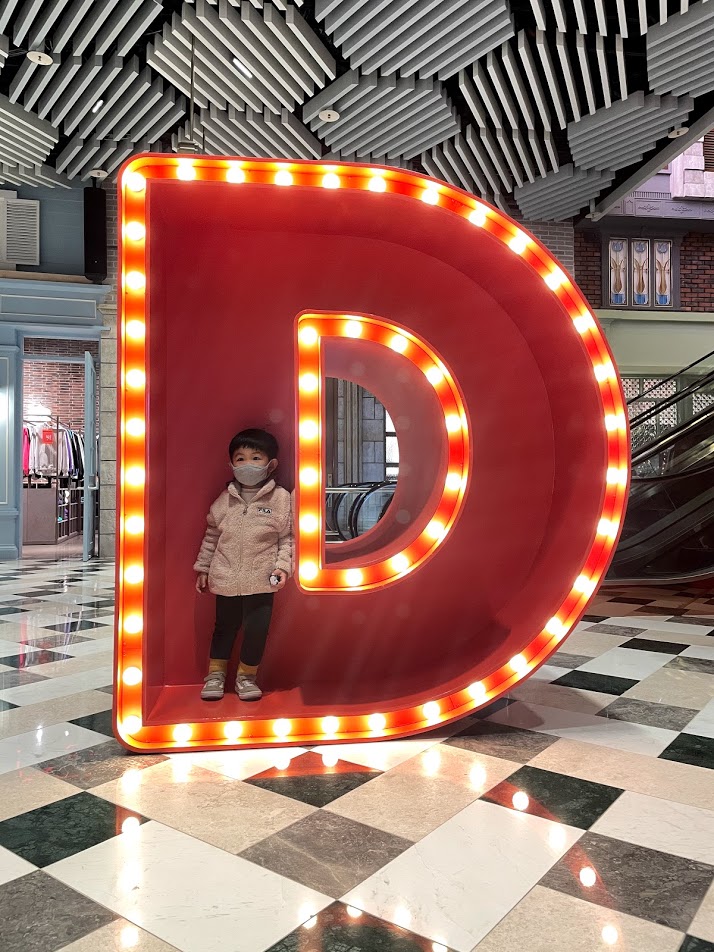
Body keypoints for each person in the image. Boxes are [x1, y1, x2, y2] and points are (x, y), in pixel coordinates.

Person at [194, 428, 293, 701]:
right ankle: (215, 676)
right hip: (224, 576)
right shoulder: (223, 500)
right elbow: (211, 536)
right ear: (231, 464)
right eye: (240, 458)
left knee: (257, 630)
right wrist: (203, 568)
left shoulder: (281, 499)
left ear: (271, 464)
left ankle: (247, 677)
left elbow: (287, 538)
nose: (247, 464)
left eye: (256, 458)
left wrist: (283, 567)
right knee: (223, 628)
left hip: (262, 578)